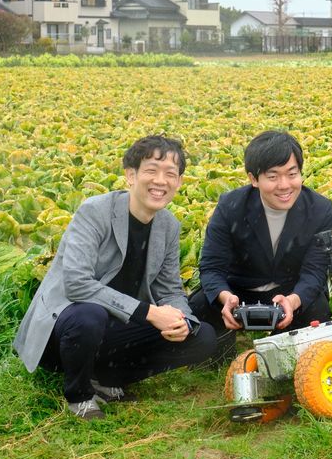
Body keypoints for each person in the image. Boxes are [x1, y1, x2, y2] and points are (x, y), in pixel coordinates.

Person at [13, 136, 216, 420]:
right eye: (151, 171)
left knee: (202, 336)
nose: (161, 181)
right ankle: (79, 395)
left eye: (170, 174)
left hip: (116, 328)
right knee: (89, 316)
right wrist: (149, 312)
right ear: (130, 176)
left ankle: (107, 377)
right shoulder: (95, 211)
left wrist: (181, 320)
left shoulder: (168, 225)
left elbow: (170, 289)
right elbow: (77, 284)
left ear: (179, 182)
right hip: (66, 330)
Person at [189, 130, 332, 358]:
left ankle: (292, 350)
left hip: (288, 291)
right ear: (254, 179)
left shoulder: (320, 209)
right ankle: (217, 355)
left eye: (292, 174)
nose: (284, 185)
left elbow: (314, 271)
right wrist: (226, 298)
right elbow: (211, 267)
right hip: (238, 291)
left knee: (316, 310)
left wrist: (293, 300)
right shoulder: (231, 206)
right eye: (273, 176)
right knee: (200, 305)